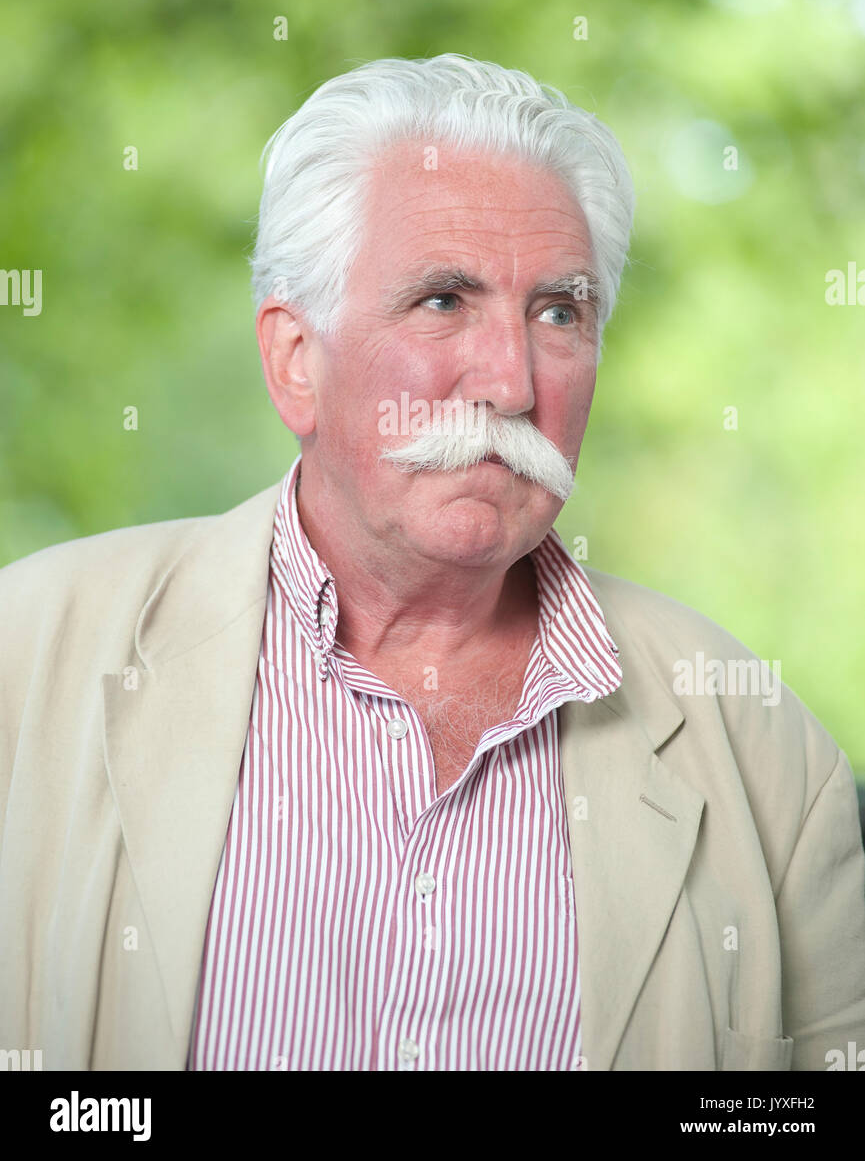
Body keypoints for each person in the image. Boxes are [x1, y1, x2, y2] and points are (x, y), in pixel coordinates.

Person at [1, 55, 863, 1072]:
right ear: (294, 361)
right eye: (444, 300)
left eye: (558, 313)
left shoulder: (762, 751)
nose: (509, 381)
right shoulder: (28, 662)